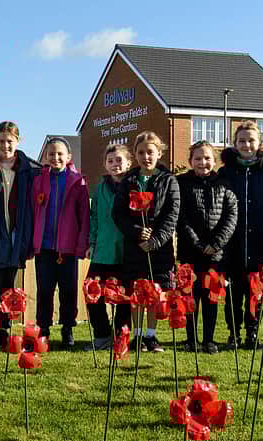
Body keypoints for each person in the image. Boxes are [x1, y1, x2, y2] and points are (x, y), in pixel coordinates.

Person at [218, 120, 263, 349]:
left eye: (251, 140)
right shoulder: (226, 172)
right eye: (242, 141)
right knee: (233, 293)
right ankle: (234, 333)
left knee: (256, 292)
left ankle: (252, 333)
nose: (246, 145)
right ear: (235, 143)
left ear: (259, 143)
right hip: (232, 244)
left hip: (260, 243)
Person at [112, 131, 179, 353]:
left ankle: (151, 335)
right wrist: (136, 232)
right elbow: (118, 213)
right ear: (136, 154)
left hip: (158, 248)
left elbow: (171, 215)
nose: (146, 157)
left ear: (159, 153)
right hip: (135, 247)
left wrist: (155, 240)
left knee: (154, 292)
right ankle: (138, 335)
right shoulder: (129, 180)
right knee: (137, 292)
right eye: (141, 152)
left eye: (150, 152)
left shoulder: (169, 180)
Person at [0, 121, 40, 347]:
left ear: (18, 141)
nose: (6, 145)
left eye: (10, 141)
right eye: (1, 141)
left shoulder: (28, 171)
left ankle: (4, 329)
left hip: (16, 233)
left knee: (9, 286)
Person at [177, 141, 238, 354]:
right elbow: (181, 217)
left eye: (207, 158)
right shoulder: (182, 184)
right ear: (190, 161)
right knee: (190, 298)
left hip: (215, 255)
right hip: (189, 252)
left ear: (214, 160)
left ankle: (209, 340)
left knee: (211, 299)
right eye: (198, 158)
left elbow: (231, 216)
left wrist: (216, 244)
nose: (203, 162)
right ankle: (191, 339)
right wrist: (196, 243)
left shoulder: (224, 184)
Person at [32, 137, 90, 347]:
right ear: (45, 156)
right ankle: (43, 329)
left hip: (68, 249)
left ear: (68, 157)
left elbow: (84, 217)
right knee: (44, 291)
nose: (55, 157)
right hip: (45, 248)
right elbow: (33, 211)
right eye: (51, 154)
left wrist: (81, 245)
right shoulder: (39, 181)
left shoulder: (78, 182)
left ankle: (67, 329)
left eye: (60, 154)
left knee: (68, 291)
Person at [85, 144, 132, 351]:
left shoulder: (133, 185)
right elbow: (94, 217)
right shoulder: (100, 188)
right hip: (102, 250)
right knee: (92, 293)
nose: (115, 164)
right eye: (110, 161)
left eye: (119, 160)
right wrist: (92, 242)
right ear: (105, 164)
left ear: (128, 163)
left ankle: (121, 336)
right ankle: (102, 335)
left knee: (124, 297)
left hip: (125, 251)